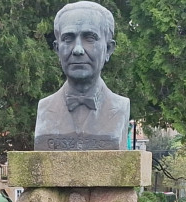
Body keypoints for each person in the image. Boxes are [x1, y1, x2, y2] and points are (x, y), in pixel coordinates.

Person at [34, 1, 130, 151]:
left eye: (90, 38)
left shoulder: (120, 108)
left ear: (109, 49)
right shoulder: (45, 110)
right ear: (57, 49)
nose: (78, 49)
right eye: (68, 39)